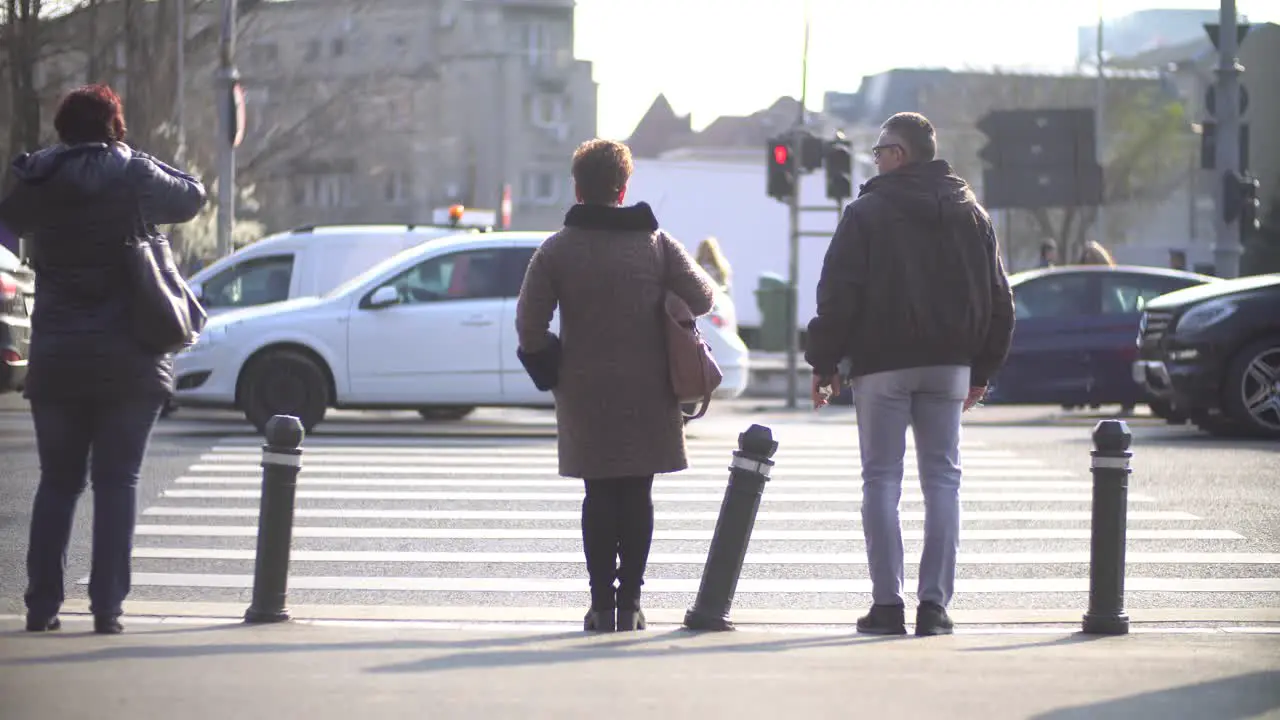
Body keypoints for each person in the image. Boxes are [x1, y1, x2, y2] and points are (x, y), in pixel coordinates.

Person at [0, 84, 206, 634]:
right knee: (118, 482)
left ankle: (41, 607)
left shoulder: (37, 175)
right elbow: (193, 196)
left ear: (63, 129)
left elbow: (6, 225)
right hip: (131, 359)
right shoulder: (135, 173)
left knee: (58, 483)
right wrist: (132, 151)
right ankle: (106, 609)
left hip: (58, 356)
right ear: (116, 126)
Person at [804, 112, 1015, 636]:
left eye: (879, 151)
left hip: (881, 366)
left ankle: (887, 607)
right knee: (943, 480)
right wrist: (983, 369)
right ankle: (935, 608)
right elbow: (1000, 300)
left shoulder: (867, 213)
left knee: (882, 479)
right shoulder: (973, 214)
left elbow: (837, 294)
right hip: (950, 367)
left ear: (899, 153)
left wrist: (825, 364)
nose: (875, 160)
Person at [515, 139, 714, 633]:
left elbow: (529, 326)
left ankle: (601, 604)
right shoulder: (657, 244)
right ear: (623, 189)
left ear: (578, 190)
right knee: (638, 494)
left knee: (598, 494)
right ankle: (631, 605)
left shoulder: (557, 249)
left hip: (585, 390)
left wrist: (550, 369)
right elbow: (704, 297)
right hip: (650, 388)